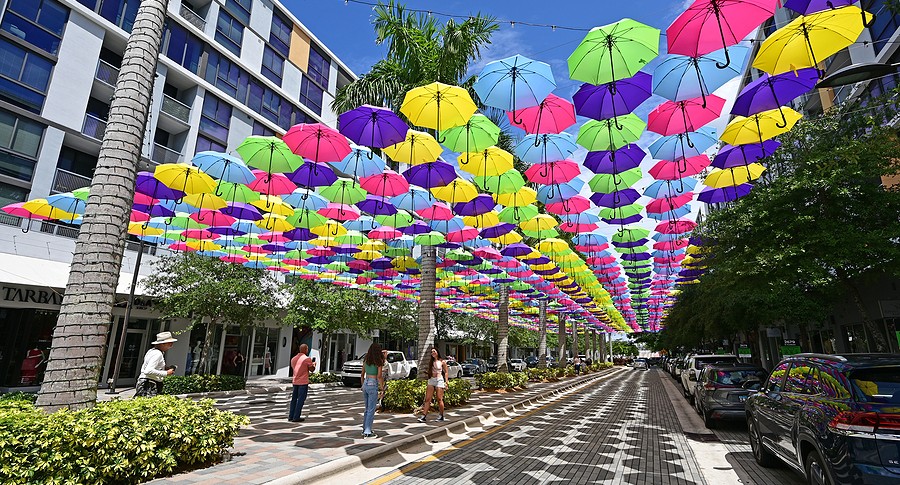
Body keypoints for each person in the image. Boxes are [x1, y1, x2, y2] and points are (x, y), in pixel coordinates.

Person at [135, 332, 177, 397]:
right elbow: (148, 371)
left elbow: (151, 367)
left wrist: (164, 368)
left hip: (147, 382)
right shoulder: (157, 354)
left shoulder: (152, 351)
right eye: (169, 343)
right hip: (149, 383)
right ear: (163, 344)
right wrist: (166, 373)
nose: (171, 345)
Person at [360, 343, 385, 438]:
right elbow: (379, 376)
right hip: (373, 383)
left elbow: (362, 374)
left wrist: (362, 384)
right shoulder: (379, 362)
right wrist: (382, 388)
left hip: (366, 383)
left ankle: (364, 428)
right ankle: (367, 430)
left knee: (367, 409)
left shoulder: (366, 360)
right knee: (371, 409)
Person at [418, 347, 448, 423]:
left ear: (437, 352)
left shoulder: (442, 361)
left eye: (434, 351)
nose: (433, 353)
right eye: (431, 352)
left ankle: (441, 415)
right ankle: (423, 416)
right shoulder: (431, 362)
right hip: (431, 380)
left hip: (439, 380)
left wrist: (446, 382)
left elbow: (446, 372)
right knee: (427, 399)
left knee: (439, 399)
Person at [289, 344, 316, 422]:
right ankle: (296, 416)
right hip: (303, 382)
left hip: (295, 381)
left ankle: (291, 415)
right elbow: (312, 369)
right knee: (301, 399)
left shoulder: (293, 359)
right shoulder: (307, 359)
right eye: (307, 349)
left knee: (294, 399)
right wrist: (314, 365)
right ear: (305, 349)